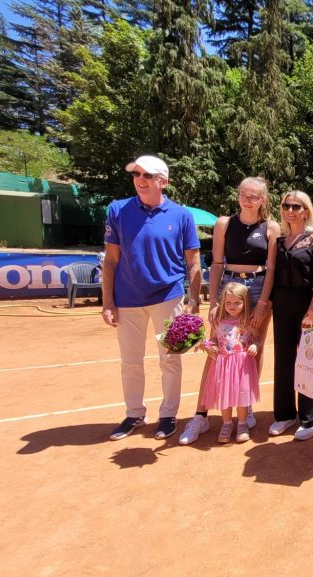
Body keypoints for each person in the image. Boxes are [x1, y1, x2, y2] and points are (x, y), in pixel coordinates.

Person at [101, 154, 201, 441]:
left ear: (163, 181)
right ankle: (134, 413)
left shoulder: (181, 215)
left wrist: (194, 301)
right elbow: (111, 260)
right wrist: (108, 302)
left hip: (168, 297)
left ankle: (168, 415)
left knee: (170, 359)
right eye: (136, 174)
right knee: (130, 361)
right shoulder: (117, 210)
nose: (140, 180)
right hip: (127, 299)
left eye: (147, 175)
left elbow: (193, 261)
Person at [179, 177, 279, 445]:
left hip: (257, 290)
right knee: (216, 347)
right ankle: (201, 414)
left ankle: (246, 406)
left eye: (254, 196)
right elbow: (216, 263)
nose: (248, 200)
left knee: (252, 347)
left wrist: (262, 302)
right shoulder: (224, 223)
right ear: (238, 196)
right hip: (228, 289)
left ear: (263, 200)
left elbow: (271, 268)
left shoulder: (271, 227)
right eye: (244, 195)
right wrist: (213, 300)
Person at [269, 191, 313, 440]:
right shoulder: (280, 240)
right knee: (283, 359)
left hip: (307, 303)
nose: (290, 210)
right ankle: (284, 415)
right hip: (282, 303)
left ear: (306, 210)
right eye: (286, 206)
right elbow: (271, 273)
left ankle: (310, 417)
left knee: (308, 360)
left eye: (296, 206)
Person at [201, 282, 262, 444]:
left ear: (245, 302)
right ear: (223, 302)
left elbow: (257, 338)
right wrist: (209, 346)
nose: (232, 306)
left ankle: (242, 424)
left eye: (237, 303)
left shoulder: (247, 321)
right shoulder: (218, 321)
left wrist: (255, 345)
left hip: (242, 365)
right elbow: (214, 339)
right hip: (223, 364)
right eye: (228, 302)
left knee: (241, 395)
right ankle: (226, 424)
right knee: (224, 394)